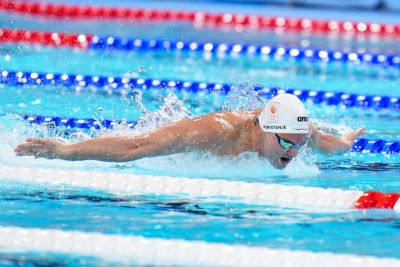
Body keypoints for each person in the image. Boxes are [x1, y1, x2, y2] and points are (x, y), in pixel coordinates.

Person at [15, 94, 365, 169]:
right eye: (287, 144)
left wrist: (347, 142)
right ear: (264, 129)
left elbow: (329, 144)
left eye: (299, 146)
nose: (293, 153)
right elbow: (138, 146)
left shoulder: (297, 131)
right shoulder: (218, 131)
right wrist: (66, 151)